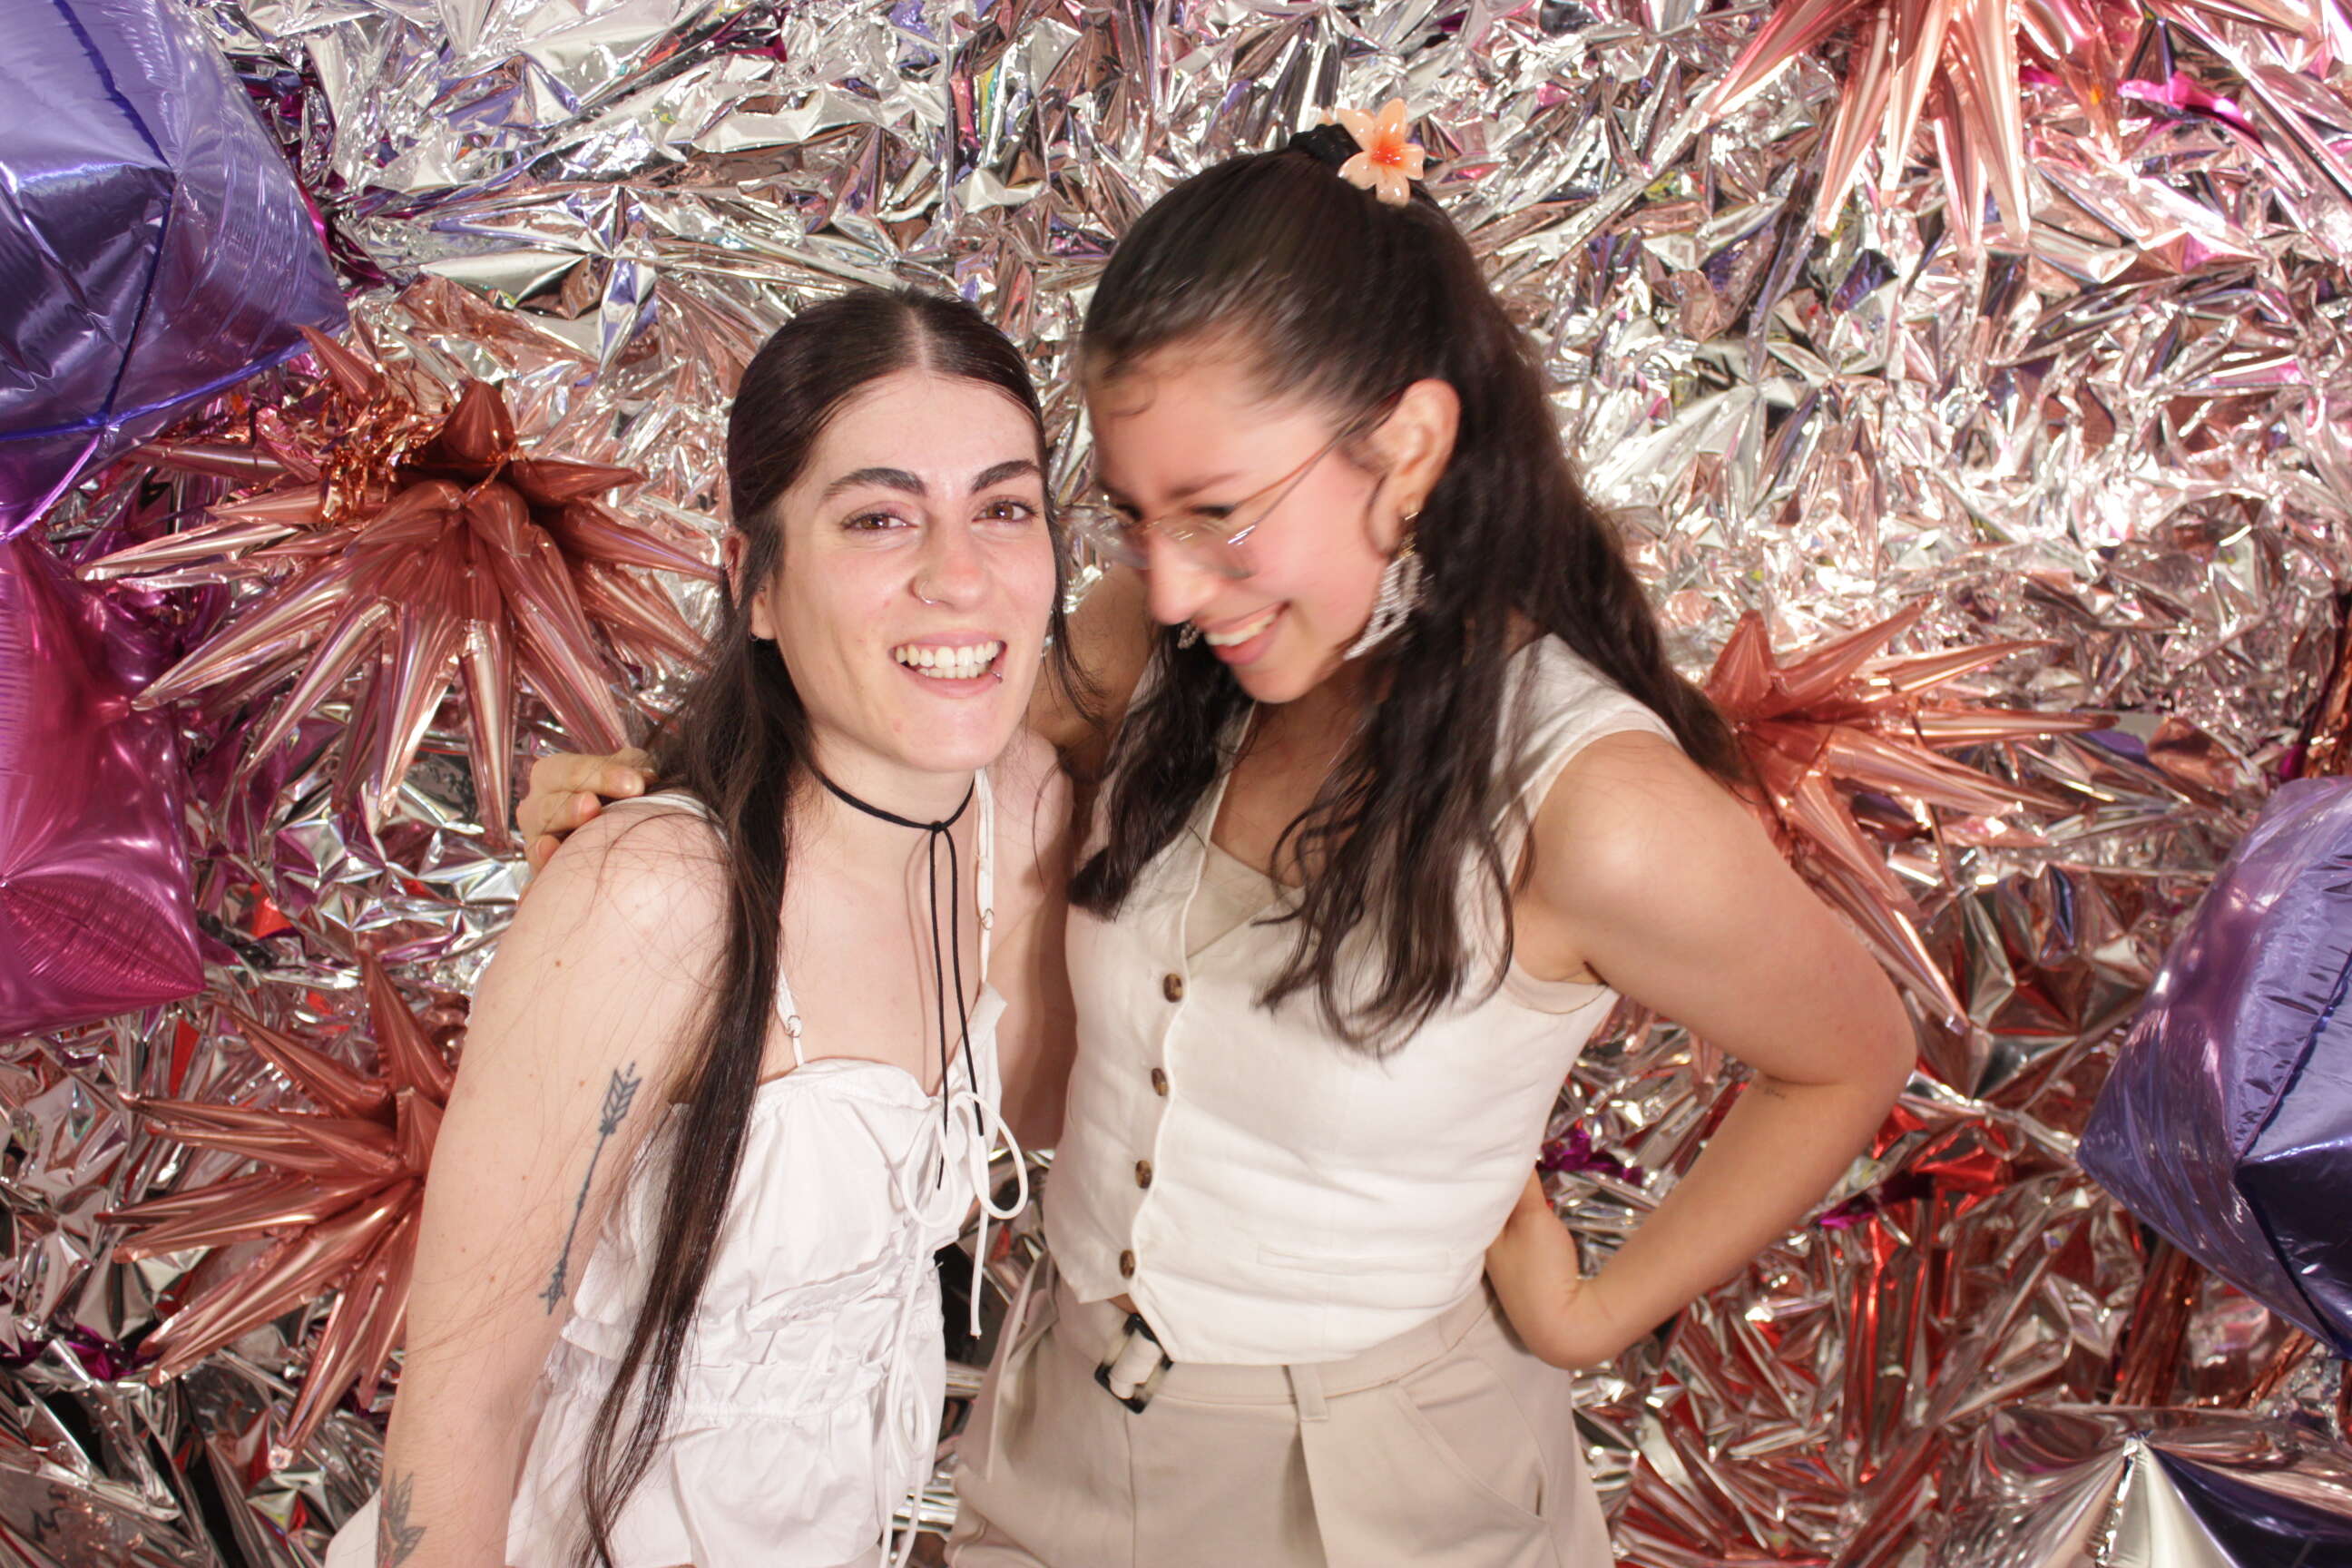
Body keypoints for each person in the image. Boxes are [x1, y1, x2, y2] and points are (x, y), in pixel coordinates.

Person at [521, 110, 1915, 1568]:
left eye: (1221, 513)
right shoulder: (1158, 648)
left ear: (1409, 450)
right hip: (1060, 1430)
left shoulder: (1592, 808)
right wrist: (671, 800)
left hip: (1374, 1499)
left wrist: (1591, 1315)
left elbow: (1850, 1054)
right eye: (1136, 519)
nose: (1174, 587)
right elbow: (891, 758)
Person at [328, 287, 1078, 1568]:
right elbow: (462, 1408)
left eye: (1003, 508)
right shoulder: (656, 901)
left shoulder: (1021, 811)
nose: (959, 575)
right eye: (880, 517)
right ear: (756, 583)